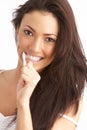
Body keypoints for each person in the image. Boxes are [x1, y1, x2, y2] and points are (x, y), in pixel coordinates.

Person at [0, 0, 87, 129]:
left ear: (61, 45)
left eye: (49, 39)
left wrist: (23, 104)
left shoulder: (67, 102)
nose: (35, 48)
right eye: (28, 32)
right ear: (17, 30)